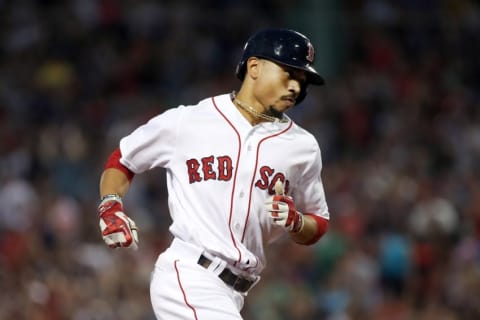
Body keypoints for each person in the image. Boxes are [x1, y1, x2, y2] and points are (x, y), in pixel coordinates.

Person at [97, 28, 330, 319]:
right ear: (254, 67)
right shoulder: (190, 121)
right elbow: (124, 157)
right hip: (190, 274)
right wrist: (110, 204)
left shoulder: (302, 147)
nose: (296, 86)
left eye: (302, 79)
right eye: (289, 73)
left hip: (235, 293)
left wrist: (297, 223)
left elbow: (318, 222)